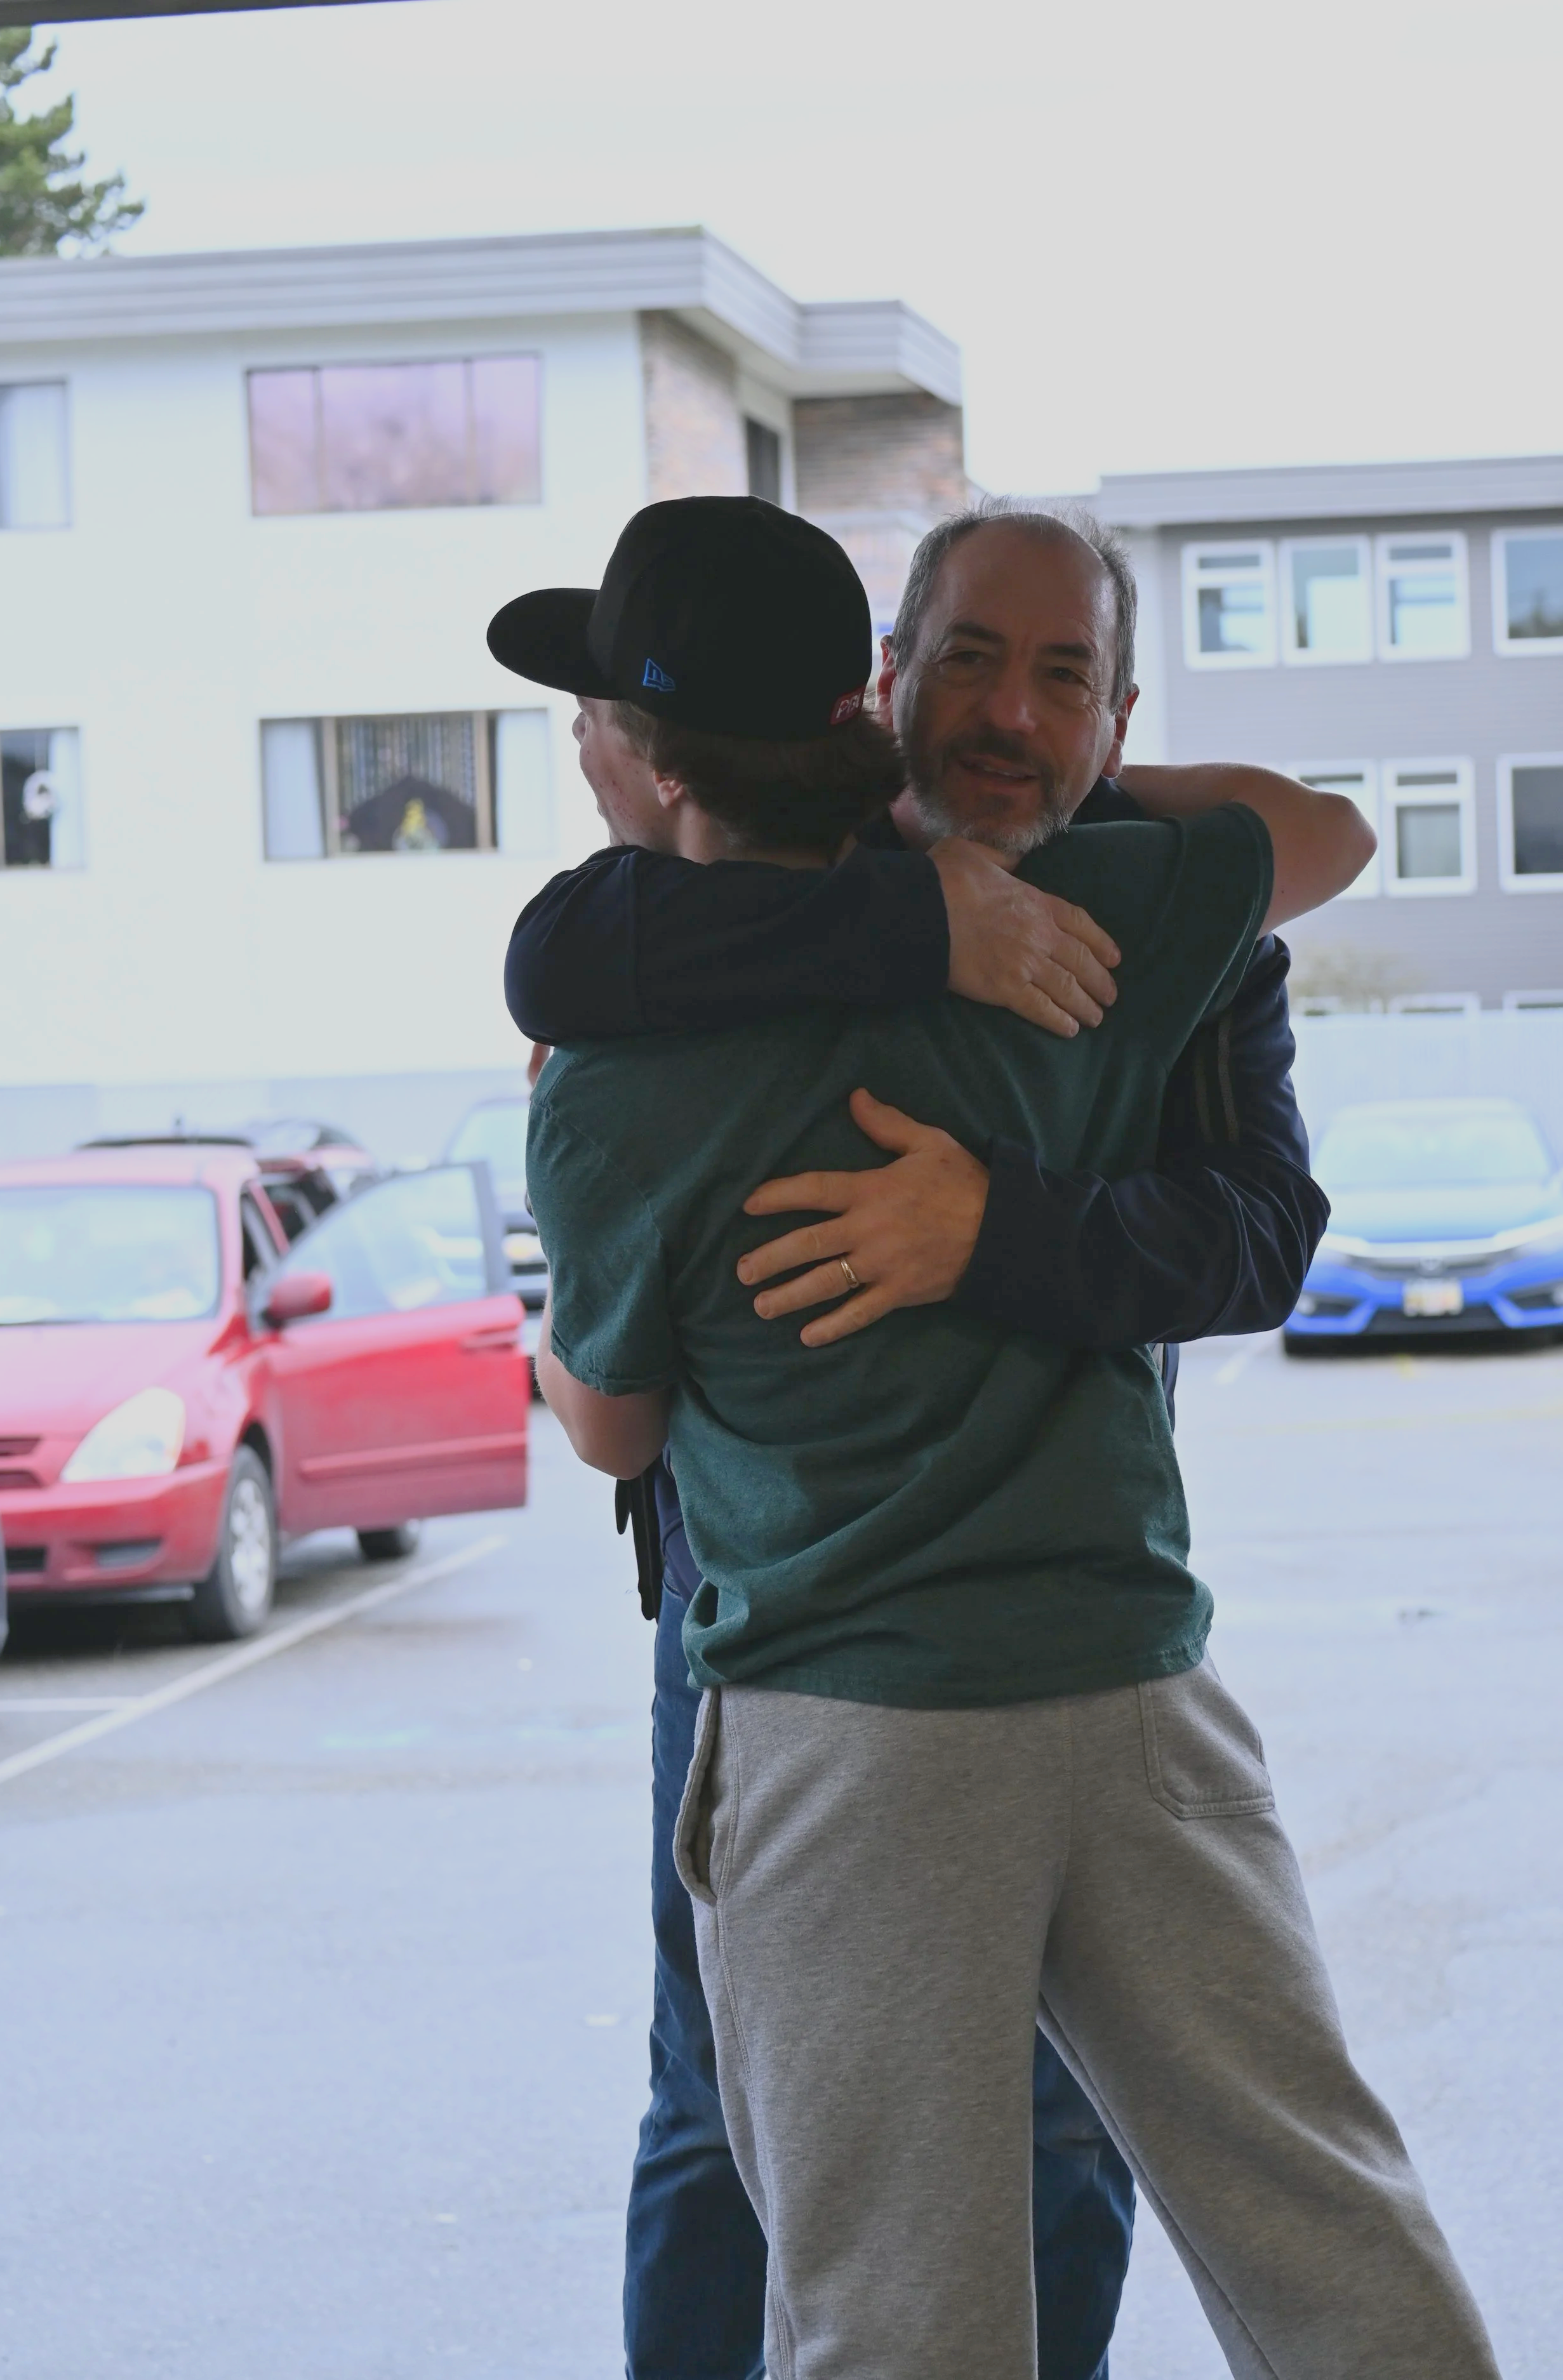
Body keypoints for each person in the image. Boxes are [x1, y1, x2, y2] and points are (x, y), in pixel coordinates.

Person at [500, 496, 1499, 2379]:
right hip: (1111, 1672)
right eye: (966, 657)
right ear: (872, 698)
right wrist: (912, 908)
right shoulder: (1112, 922)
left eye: (1065, 679)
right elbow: (1314, 837)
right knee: (1324, 2240)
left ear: (636, 752)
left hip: (847, 1706)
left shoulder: (615, 1078)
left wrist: (993, 1228)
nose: (1011, 714)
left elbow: (607, 1411)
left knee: (888, 2295)